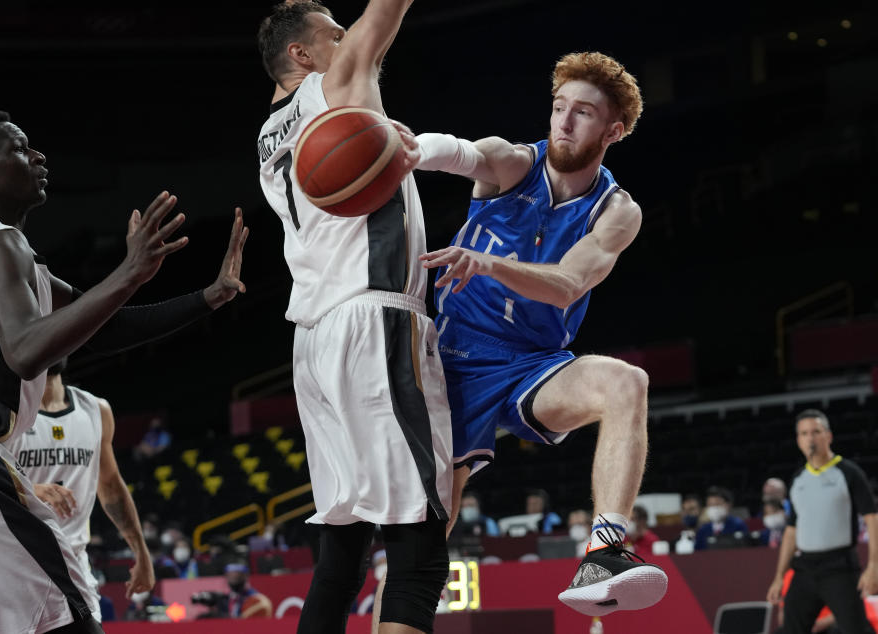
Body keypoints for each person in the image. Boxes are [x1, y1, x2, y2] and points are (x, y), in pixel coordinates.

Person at [0, 110, 249, 634]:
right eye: (21, 149)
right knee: (67, 619)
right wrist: (129, 271)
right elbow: (26, 352)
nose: (39, 156)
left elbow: (108, 328)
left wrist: (208, 297)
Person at [411, 51, 666, 616]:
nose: (564, 122)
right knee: (425, 549)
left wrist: (486, 263)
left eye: (582, 113)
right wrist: (407, 148)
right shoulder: (511, 165)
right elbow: (459, 153)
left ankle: (605, 552)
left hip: (532, 363)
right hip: (453, 362)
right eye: (558, 108)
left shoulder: (617, 211)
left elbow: (567, 284)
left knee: (626, 382)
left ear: (613, 130)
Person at [256, 3, 452, 633]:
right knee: (419, 550)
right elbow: (386, 11)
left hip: (313, 340)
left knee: (342, 551)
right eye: (333, 35)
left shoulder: (270, 131)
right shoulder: (332, 87)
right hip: (373, 318)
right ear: (301, 56)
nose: (349, 42)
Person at [7, 358, 155, 623]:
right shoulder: (6, 409)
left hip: (74, 564)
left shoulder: (96, 409)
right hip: (16, 564)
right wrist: (29, 488)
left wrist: (141, 551)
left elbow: (110, 485)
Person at [766, 409, 878, 634]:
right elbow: (790, 531)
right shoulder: (798, 479)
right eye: (804, 433)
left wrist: (874, 565)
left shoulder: (848, 473)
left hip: (839, 567)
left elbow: (872, 518)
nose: (810, 438)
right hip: (804, 568)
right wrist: (779, 576)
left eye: (816, 432)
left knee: (856, 629)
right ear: (798, 440)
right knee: (789, 629)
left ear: (828, 436)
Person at [694, 486, 748, 550]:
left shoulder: (738, 526)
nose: (713, 509)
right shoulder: (703, 530)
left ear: (728, 505)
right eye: (710, 505)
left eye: (717, 504)